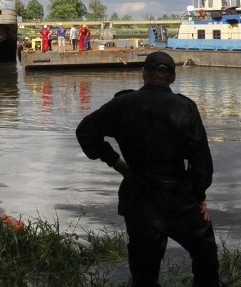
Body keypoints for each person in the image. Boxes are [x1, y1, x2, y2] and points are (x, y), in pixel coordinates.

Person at [75, 51, 220, 287]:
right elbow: (202, 161)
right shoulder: (185, 108)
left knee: (143, 273)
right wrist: (199, 195)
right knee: (205, 257)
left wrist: (117, 163)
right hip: (179, 198)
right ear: (172, 78)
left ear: (144, 74)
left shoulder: (122, 104)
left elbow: (85, 132)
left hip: (139, 197)